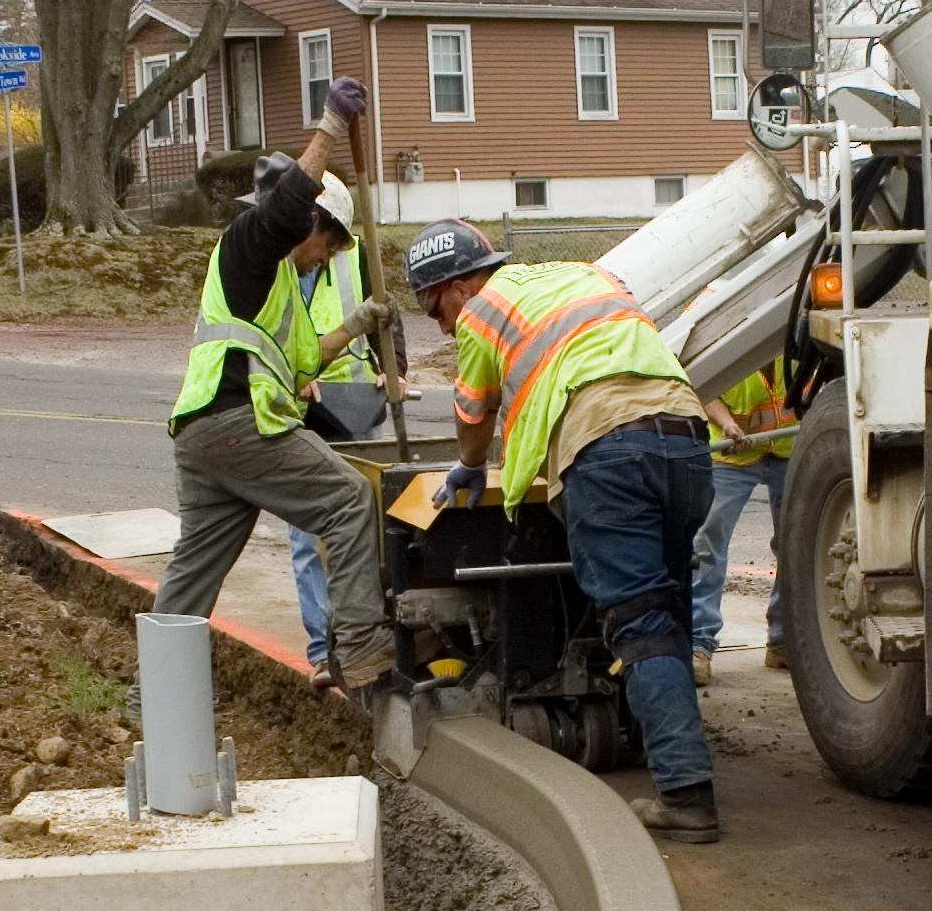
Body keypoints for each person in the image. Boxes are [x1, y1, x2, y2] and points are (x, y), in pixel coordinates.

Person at [402, 217, 721, 843]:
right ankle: (674, 750)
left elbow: (472, 412)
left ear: (460, 286)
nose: (440, 324)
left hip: (610, 452)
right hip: (684, 440)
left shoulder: (482, 312)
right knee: (670, 610)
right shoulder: (584, 274)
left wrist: (469, 466)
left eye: (433, 306)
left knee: (642, 624)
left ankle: (687, 795)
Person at [154, 80, 400, 690]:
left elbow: (301, 361)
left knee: (194, 569)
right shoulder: (249, 245)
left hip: (203, 436)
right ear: (305, 225)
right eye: (329, 242)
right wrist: (331, 127)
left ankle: (152, 690)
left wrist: (358, 323)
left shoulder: (276, 284)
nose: (329, 255)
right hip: (240, 424)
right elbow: (289, 204)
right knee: (347, 500)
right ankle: (365, 655)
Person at [274, 213, 389, 679]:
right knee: (308, 539)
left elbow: (385, 316)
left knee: (373, 525)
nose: (326, 255)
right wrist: (291, 377)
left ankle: (369, 639)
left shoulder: (356, 255)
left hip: (359, 406)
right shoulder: (276, 267)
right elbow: (273, 336)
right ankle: (325, 651)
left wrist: (391, 367)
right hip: (310, 409)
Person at [690, 354, 796, 684]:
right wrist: (727, 423)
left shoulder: (791, 329)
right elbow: (703, 383)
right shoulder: (733, 329)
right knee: (709, 545)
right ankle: (698, 644)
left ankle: (783, 640)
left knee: (796, 544)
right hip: (731, 453)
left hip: (785, 447)